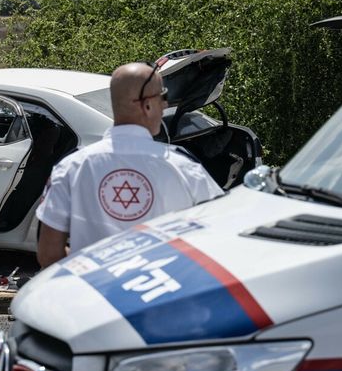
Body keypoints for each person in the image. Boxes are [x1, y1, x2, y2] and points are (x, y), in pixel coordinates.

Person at [35, 62, 223, 269]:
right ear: (148, 106)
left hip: (92, 287)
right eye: (163, 97)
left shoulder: (71, 168)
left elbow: (49, 254)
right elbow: (218, 237)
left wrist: (91, 267)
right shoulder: (184, 168)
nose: (165, 106)